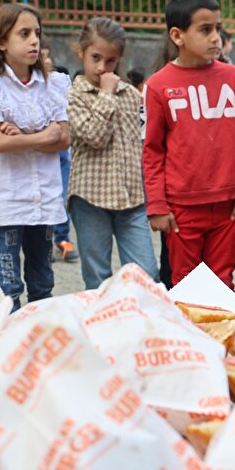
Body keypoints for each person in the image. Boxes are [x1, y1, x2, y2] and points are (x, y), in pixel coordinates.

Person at [143, 0, 235, 288]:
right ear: (177, 36)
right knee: (186, 283)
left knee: (223, 282)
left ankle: (220, 323)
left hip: (227, 205)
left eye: (218, 28)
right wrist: (157, 206)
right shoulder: (158, 86)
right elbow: (153, 151)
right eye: (205, 30)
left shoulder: (234, 79)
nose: (216, 38)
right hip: (181, 208)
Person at [0, 4, 71, 308]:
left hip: (44, 200)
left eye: (37, 33)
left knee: (43, 282)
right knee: (8, 286)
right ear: (1, 42)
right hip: (6, 201)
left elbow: (64, 139)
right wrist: (42, 136)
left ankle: (40, 333)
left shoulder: (52, 84)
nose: (34, 40)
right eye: (24, 34)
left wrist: (21, 137)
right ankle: (10, 334)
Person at [67, 17, 158, 290]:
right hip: (90, 199)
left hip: (132, 199)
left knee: (147, 275)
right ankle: (101, 317)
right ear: (81, 52)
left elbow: (141, 142)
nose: (102, 68)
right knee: (98, 278)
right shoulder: (74, 95)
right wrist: (106, 95)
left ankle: (140, 317)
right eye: (95, 58)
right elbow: (95, 136)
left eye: (110, 61)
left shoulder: (130, 94)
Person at [39, 40, 79, 263]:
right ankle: (45, 243)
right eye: (41, 56)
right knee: (42, 199)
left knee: (62, 197)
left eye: (47, 56)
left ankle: (62, 240)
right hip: (36, 153)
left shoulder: (58, 85)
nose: (45, 61)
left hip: (61, 153)